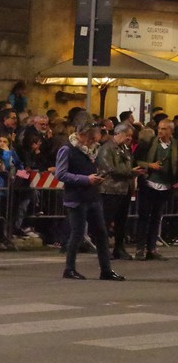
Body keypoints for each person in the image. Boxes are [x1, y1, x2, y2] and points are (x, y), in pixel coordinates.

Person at [56, 120, 125, 281]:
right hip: (76, 198)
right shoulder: (67, 149)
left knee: (101, 233)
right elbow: (61, 174)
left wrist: (98, 176)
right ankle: (69, 269)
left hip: (92, 196)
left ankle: (106, 270)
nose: (93, 142)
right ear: (81, 135)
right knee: (77, 233)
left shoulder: (92, 151)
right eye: (90, 139)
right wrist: (85, 179)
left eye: (95, 139)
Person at [132, 118, 177, 260]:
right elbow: (136, 160)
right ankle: (140, 248)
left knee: (157, 217)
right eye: (159, 128)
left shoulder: (175, 145)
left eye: (164, 129)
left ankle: (152, 248)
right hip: (148, 184)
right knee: (144, 216)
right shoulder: (148, 143)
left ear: (171, 131)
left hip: (165, 186)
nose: (160, 131)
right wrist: (150, 165)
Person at [97, 122, 143, 260]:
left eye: (131, 136)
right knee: (106, 221)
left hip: (124, 189)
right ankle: (103, 249)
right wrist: (130, 172)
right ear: (118, 133)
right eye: (127, 135)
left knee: (121, 221)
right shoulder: (107, 148)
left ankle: (119, 247)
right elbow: (109, 168)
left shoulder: (125, 149)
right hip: (110, 190)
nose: (129, 138)